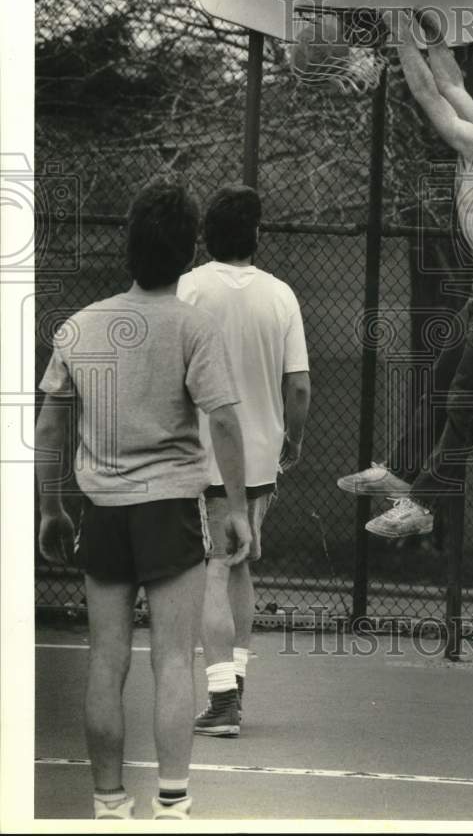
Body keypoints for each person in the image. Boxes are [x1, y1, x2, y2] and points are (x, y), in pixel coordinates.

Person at [35, 178, 251, 821]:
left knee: (104, 661)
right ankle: (173, 806)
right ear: (189, 254)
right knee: (171, 663)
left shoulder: (80, 326)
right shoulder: (194, 326)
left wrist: (50, 506)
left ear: (128, 247)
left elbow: (49, 426)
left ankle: (107, 805)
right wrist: (235, 508)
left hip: (102, 510)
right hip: (170, 509)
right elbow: (226, 422)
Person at [338, 7, 473, 538]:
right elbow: (453, 81)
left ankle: (424, 505)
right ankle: (399, 471)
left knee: (464, 403)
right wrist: (430, 34)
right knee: (441, 384)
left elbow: (430, 97)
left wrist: (399, 34)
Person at [177, 184, 311, 738]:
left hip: (201, 453)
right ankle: (233, 687)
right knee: (239, 564)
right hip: (258, 455)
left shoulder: (187, 288)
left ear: (207, 234)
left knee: (213, 566)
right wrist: (292, 439)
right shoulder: (280, 295)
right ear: (256, 234)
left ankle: (222, 698)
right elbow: (298, 387)